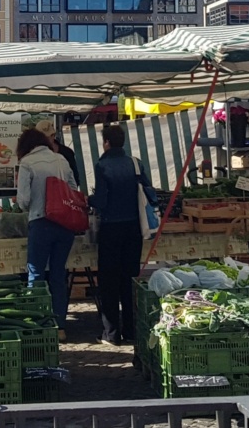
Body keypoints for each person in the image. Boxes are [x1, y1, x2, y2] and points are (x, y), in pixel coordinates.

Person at [88, 126, 152, 346]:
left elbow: (102, 200)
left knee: (109, 281)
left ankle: (111, 333)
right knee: (129, 279)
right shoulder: (135, 163)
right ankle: (132, 330)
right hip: (134, 227)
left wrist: (89, 200)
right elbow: (148, 190)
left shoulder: (103, 165)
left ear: (106, 142)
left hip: (111, 229)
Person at [15, 128, 77, 342]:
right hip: (65, 225)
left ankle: (38, 324)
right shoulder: (61, 159)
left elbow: (23, 201)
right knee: (58, 274)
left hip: (41, 223)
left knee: (36, 274)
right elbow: (73, 189)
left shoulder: (27, 163)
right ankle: (60, 326)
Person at [34, 119, 80, 187]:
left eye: (46, 137)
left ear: (53, 135)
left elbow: (75, 179)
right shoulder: (32, 155)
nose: (42, 141)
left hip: (63, 194)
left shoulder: (67, 153)